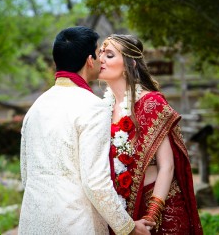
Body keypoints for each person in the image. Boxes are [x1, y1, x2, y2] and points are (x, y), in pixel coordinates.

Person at [19, 27, 154, 234]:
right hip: (75, 223)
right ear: (90, 61)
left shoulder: (36, 108)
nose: (102, 60)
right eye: (99, 54)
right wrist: (127, 226)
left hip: (34, 222)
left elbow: (26, 173)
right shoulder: (92, 107)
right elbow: (96, 182)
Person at [98, 34, 203, 234]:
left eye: (109, 55)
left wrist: (153, 213)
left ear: (131, 63)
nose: (101, 59)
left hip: (161, 205)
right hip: (124, 211)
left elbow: (167, 165)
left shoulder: (151, 103)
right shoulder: (102, 109)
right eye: (101, 53)